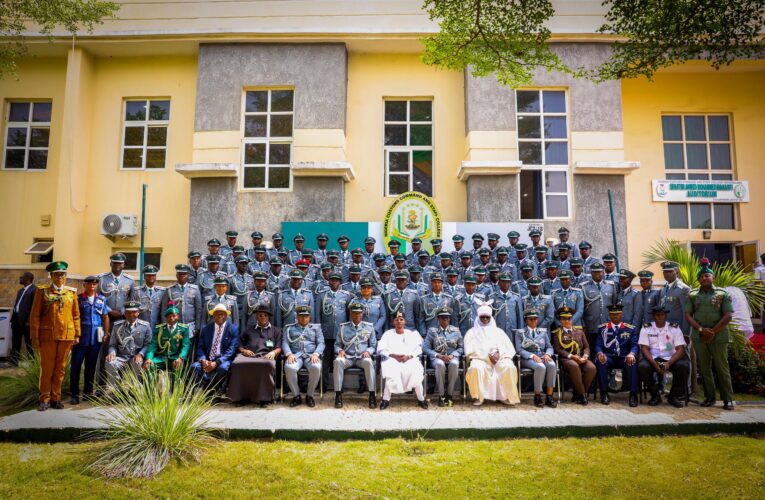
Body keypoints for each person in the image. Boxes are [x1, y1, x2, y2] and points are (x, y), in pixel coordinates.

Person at [29, 262, 80, 411]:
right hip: (48, 336)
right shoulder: (42, 292)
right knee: (47, 369)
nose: (60, 277)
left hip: (66, 336)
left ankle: (56, 398)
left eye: (62, 274)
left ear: (66, 276)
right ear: (51, 276)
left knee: (60, 369)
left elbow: (76, 315)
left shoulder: (71, 293)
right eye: (57, 274)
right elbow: (35, 316)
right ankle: (44, 399)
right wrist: (35, 337)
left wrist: (77, 334)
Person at [685, 265, 735, 410]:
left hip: (719, 336)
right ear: (699, 280)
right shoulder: (693, 295)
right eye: (702, 276)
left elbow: (728, 315)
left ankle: (728, 399)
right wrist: (701, 329)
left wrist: (713, 331)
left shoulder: (723, 293)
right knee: (705, 369)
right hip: (699, 336)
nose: (705, 278)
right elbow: (688, 314)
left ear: (713, 277)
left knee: (722, 368)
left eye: (707, 275)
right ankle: (709, 398)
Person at [464, 304, 520, 406]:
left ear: (491, 317)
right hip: (480, 359)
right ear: (478, 317)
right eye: (482, 317)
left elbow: (509, 348)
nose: (485, 319)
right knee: (476, 368)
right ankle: (479, 397)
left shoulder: (499, 331)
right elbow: (469, 351)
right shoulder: (471, 333)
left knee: (509, 367)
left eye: (487, 317)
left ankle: (505, 396)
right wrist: (487, 357)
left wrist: (499, 354)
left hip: (499, 358)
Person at [228, 304, 282, 406]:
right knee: (237, 364)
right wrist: (243, 350)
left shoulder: (276, 331)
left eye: (265, 315)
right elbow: (239, 343)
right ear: (256, 317)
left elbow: (279, 347)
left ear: (268, 316)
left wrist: (273, 352)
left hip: (266, 356)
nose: (263, 317)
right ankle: (242, 397)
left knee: (267, 365)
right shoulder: (249, 329)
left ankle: (265, 399)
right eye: (260, 315)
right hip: (248, 355)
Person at [639, 305, 690, 408]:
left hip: (671, 358)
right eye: (657, 315)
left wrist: (669, 363)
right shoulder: (646, 328)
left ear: (666, 315)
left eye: (662, 315)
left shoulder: (674, 328)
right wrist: (655, 364)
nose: (660, 317)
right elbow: (644, 348)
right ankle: (655, 395)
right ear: (653, 316)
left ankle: (673, 396)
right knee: (643, 367)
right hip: (653, 358)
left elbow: (680, 349)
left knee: (683, 366)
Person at [70, 275, 110, 404]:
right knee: (76, 366)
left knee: (91, 367)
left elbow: (105, 317)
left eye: (94, 284)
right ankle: (74, 394)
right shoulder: (78, 299)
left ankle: (88, 393)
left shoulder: (102, 299)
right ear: (84, 285)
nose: (92, 286)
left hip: (95, 340)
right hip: (81, 339)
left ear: (97, 285)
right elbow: (73, 317)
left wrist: (106, 333)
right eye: (89, 283)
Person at [378, 310, 428, 409]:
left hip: (408, 359)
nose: (399, 322)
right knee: (391, 371)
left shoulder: (411, 334)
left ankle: (421, 399)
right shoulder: (388, 334)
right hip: (393, 359)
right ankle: (385, 399)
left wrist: (409, 356)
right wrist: (393, 355)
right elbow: (381, 349)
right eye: (396, 320)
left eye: (401, 319)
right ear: (393, 322)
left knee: (415, 371)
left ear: (405, 321)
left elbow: (418, 349)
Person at [333, 302, 377, 409]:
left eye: (359, 313)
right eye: (354, 313)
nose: (357, 315)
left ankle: (372, 395)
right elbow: (337, 345)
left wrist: (368, 352)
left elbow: (373, 345)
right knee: (338, 361)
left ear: (362, 314)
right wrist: (340, 351)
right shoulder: (343, 328)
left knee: (369, 362)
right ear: (351, 314)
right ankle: (338, 395)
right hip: (348, 357)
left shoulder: (369, 327)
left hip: (361, 358)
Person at [595, 304, 639, 407]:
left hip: (624, 357)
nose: (615, 316)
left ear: (621, 314)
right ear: (609, 315)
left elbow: (634, 345)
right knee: (600, 362)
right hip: (609, 356)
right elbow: (598, 345)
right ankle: (604, 393)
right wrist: (600, 353)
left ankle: (633, 394)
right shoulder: (603, 329)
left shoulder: (630, 329)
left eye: (617, 314)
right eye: (612, 314)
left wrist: (631, 354)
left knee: (632, 363)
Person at [193, 304, 240, 395]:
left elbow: (231, 351)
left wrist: (217, 362)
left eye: (221, 314)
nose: (219, 316)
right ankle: (210, 389)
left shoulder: (233, 329)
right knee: (195, 367)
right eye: (216, 314)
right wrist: (203, 360)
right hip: (207, 359)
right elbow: (200, 347)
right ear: (213, 316)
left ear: (226, 316)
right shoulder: (206, 329)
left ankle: (210, 391)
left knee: (223, 368)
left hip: (222, 359)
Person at [552, 306, 595, 405]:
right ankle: (583, 395)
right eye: (564, 319)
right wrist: (571, 356)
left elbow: (586, 347)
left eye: (569, 318)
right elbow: (558, 349)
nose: (567, 321)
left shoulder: (579, 331)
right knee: (574, 366)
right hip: (567, 359)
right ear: (560, 320)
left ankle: (578, 393)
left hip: (580, 357)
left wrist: (585, 356)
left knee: (591, 368)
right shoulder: (557, 333)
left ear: (572, 319)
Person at [515, 309, 558, 408]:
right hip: (527, 358)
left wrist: (548, 354)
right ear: (526, 320)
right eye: (531, 319)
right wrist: (533, 356)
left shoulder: (542, 332)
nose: (533, 321)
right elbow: (519, 350)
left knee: (551, 365)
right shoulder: (520, 333)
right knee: (540, 367)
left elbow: (549, 347)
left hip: (542, 356)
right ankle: (537, 396)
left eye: (535, 319)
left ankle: (549, 396)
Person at [283, 305, 324, 407]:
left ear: (309, 317)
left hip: (311, 355)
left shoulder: (316, 328)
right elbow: (285, 342)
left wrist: (316, 353)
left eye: (306, 316)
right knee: (289, 367)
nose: (303, 318)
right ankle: (296, 396)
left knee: (316, 367)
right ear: (297, 317)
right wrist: (289, 354)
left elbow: (321, 343)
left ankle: (310, 395)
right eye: (301, 316)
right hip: (295, 356)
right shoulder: (289, 328)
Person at [105, 301, 152, 389]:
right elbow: (112, 344)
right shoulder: (117, 326)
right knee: (110, 362)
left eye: (134, 312)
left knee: (137, 362)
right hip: (122, 357)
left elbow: (148, 344)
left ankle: (134, 389)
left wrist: (140, 354)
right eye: (128, 312)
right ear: (125, 313)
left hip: (136, 357)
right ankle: (116, 390)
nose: (131, 315)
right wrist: (112, 353)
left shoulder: (145, 326)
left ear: (138, 313)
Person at [424, 306, 464, 407]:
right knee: (440, 365)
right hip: (437, 358)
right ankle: (441, 395)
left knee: (454, 364)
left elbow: (461, 348)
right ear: (438, 319)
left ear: (449, 319)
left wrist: (452, 355)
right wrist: (438, 355)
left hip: (452, 357)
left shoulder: (456, 331)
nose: (444, 320)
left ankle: (449, 395)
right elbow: (426, 348)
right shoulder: (432, 331)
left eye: (446, 318)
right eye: (442, 318)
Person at [143, 306, 191, 376]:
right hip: (161, 358)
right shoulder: (159, 329)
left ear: (178, 317)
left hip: (176, 357)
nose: (171, 318)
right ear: (166, 318)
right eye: (169, 316)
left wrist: (181, 357)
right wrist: (149, 358)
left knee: (178, 366)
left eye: (174, 316)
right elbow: (152, 346)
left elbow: (185, 346)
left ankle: (175, 387)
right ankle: (150, 387)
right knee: (149, 366)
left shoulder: (184, 329)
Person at [160, 264, 204, 339]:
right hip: (174, 325)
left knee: (189, 349)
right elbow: (164, 309)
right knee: (175, 348)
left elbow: (198, 309)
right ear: (176, 275)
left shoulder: (195, 289)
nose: (182, 276)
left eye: (184, 274)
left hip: (190, 325)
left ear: (188, 276)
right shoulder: (170, 290)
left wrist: (197, 327)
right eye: (180, 274)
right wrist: (165, 325)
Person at [10, 271, 36, 364]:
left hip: (26, 321)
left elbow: (34, 306)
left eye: (22, 277)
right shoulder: (20, 291)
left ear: (28, 279)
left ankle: (31, 363)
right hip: (16, 319)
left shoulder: (34, 290)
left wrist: (29, 320)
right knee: (15, 341)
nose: (20, 278)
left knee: (29, 343)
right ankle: (14, 361)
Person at [489, 273, 524, 337]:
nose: (505, 284)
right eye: (503, 281)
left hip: (512, 331)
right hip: (498, 331)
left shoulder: (515, 297)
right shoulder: (493, 297)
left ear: (510, 283)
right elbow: (490, 316)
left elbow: (519, 317)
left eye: (507, 282)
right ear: (499, 283)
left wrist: (520, 332)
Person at [136, 265, 164, 331]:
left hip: (157, 326)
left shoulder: (162, 291)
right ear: (144, 277)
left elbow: (163, 309)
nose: (151, 277)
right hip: (141, 326)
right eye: (148, 275)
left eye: (153, 275)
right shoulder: (137, 291)